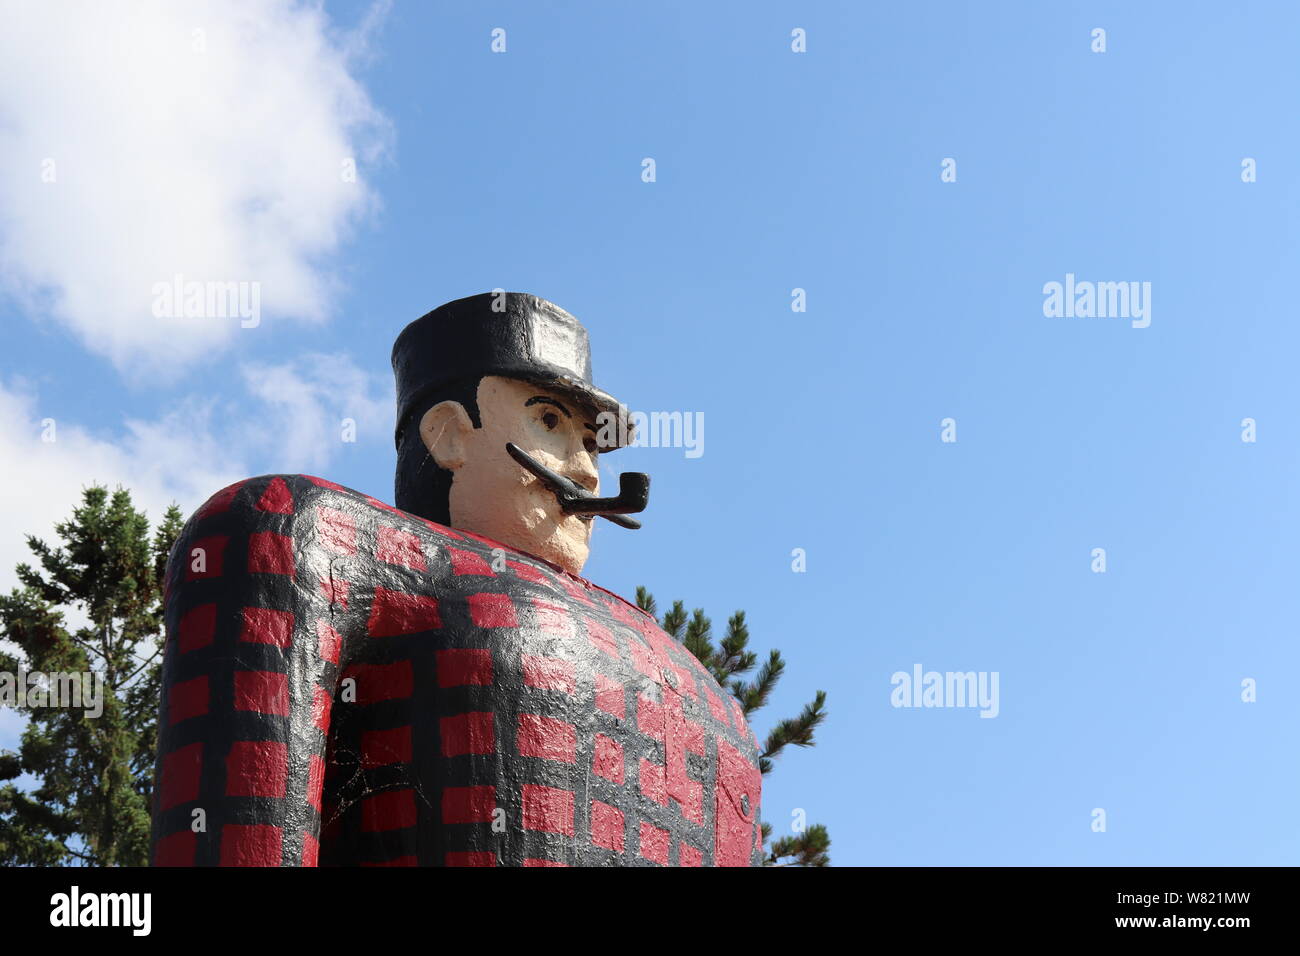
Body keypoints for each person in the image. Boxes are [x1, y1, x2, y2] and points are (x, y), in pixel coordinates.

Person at [150, 292, 762, 866]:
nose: (585, 470)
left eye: (591, 443)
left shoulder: (716, 707)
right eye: (548, 420)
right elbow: (245, 812)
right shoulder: (315, 534)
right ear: (447, 433)